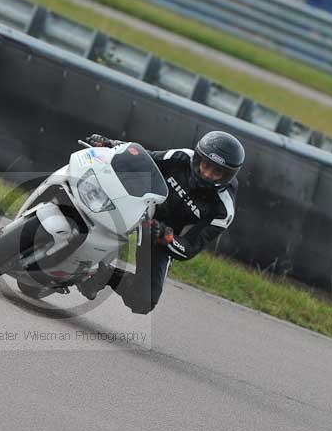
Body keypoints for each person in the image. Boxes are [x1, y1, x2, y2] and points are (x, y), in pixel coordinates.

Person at [77, 131, 244, 314]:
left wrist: (167, 236)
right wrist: (110, 144)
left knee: (143, 301)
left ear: (227, 175)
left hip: (161, 233)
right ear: (198, 158)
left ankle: (104, 275)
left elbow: (190, 247)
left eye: (216, 172)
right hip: (141, 201)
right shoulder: (181, 158)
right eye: (205, 165)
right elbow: (143, 156)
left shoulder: (223, 209)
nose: (206, 174)